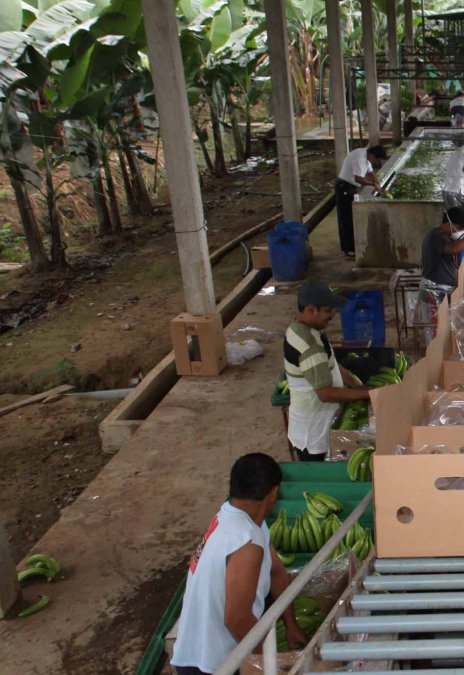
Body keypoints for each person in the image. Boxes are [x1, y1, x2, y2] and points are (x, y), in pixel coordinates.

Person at [170, 453, 305, 675]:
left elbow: (276, 572)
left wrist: (291, 624)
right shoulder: (245, 542)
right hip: (209, 663)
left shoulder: (242, 520)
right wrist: (268, 664)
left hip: (210, 652)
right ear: (273, 492)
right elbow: (236, 619)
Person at [284, 283, 372, 462]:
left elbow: (332, 364)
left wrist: (359, 386)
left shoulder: (304, 328)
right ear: (310, 310)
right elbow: (326, 393)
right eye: (327, 310)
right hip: (314, 431)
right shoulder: (310, 347)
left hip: (320, 421)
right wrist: (367, 393)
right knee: (318, 472)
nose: (332, 315)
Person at [416, 207, 464, 340]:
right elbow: (452, 249)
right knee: (435, 333)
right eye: (458, 227)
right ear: (448, 223)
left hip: (443, 291)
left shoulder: (446, 237)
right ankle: (433, 358)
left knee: (445, 331)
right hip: (433, 292)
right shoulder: (436, 236)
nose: (459, 231)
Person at [334, 145, 388, 256]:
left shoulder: (366, 158)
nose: (377, 161)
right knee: (346, 218)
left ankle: (353, 246)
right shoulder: (359, 157)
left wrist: (379, 185)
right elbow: (358, 178)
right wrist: (373, 185)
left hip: (351, 187)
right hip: (344, 187)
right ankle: (348, 249)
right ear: (372, 155)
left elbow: (371, 173)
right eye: (377, 159)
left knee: (352, 216)